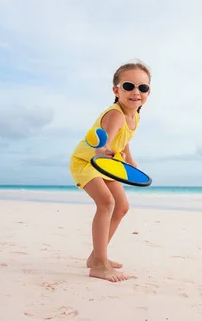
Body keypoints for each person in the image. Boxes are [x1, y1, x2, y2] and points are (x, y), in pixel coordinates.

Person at [69, 58, 151, 282]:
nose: (136, 92)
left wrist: (130, 160)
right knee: (106, 202)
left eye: (142, 87)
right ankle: (99, 264)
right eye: (128, 86)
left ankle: (97, 255)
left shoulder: (134, 116)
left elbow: (123, 140)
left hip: (107, 163)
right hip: (87, 161)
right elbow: (105, 143)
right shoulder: (115, 114)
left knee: (122, 206)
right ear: (116, 90)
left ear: (148, 92)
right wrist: (106, 152)